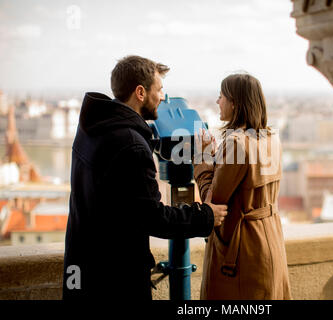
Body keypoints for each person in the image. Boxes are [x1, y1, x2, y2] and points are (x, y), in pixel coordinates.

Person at [63, 55, 228, 300]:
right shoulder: (131, 146)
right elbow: (153, 218)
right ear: (140, 92)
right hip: (114, 280)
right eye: (159, 89)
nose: (163, 97)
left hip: (82, 267)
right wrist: (206, 215)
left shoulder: (93, 126)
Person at [193, 73, 292, 299]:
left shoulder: (236, 143)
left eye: (221, 97)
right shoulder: (272, 138)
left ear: (234, 103)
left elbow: (213, 201)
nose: (218, 102)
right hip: (271, 241)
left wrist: (202, 159)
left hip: (241, 251)